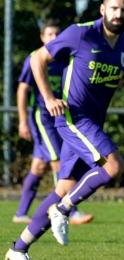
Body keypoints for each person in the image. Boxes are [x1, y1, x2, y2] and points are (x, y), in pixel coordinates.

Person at [6, 0, 124, 260]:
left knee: (62, 188)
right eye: (113, 8)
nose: (118, 14)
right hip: (73, 117)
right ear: (102, 9)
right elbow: (38, 58)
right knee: (113, 165)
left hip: (93, 123)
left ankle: (18, 249)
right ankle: (63, 210)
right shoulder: (80, 33)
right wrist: (49, 97)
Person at [13, 19, 93, 226]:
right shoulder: (35, 58)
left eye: (57, 34)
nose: (54, 38)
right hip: (43, 117)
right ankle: (69, 210)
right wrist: (22, 121)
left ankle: (21, 213)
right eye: (49, 34)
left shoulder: (66, 58)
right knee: (58, 161)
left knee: (38, 167)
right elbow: (23, 89)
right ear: (42, 37)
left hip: (62, 117)